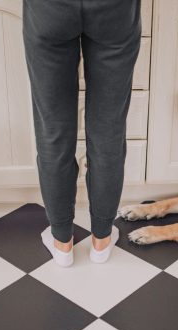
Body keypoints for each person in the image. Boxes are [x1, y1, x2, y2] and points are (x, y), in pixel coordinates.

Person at [23, 0, 141, 266]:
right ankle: (101, 240)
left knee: (53, 131)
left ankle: (62, 242)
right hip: (115, 9)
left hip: (48, 10)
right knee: (109, 131)